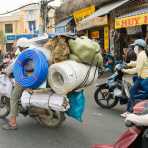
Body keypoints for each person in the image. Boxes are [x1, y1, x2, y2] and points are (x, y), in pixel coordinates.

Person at [2, 38, 31, 130]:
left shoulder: (23, 55)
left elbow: (13, 67)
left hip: (24, 79)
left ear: (21, 47)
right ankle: (24, 109)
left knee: (13, 98)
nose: (18, 48)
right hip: (33, 78)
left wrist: (5, 71)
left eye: (18, 47)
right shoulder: (31, 52)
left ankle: (12, 123)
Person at [121, 39, 148, 118]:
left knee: (132, 92)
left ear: (139, 47)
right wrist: (128, 64)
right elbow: (137, 63)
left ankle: (129, 111)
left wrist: (125, 70)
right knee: (134, 91)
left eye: (135, 46)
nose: (134, 48)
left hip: (144, 78)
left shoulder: (141, 55)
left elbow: (137, 69)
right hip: (142, 77)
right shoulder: (142, 54)